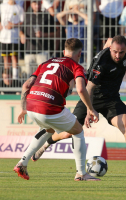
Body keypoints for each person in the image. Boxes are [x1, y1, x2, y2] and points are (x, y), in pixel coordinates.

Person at [32, 36, 126, 176]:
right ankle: (45, 145)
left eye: (121, 52)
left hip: (111, 98)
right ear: (110, 49)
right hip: (91, 97)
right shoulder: (101, 63)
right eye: (115, 52)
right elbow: (89, 88)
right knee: (69, 132)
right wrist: (89, 110)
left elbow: (111, 39)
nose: (118, 55)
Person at [13, 38, 100, 181]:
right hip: (48, 107)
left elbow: (26, 86)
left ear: (64, 51)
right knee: (78, 131)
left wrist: (23, 109)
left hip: (31, 105)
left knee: (48, 129)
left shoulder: (46, 63)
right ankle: (81, 173)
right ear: (80, 53)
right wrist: (90, 109)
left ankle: (22, 162)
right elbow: (80, 88)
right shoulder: (76, 67)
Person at [19, 0, 56, 77]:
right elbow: (21, 31)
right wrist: (22, 35)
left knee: (43, 76)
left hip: (43, 51)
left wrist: (43, 35)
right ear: (31, 4)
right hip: (29, 51)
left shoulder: (47, 16)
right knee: (30, 77)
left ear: (41, 4)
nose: (37, 6)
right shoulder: (27, 16)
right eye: (34, 3)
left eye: (38, 3)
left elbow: (55, 33)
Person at [0, 0, 24, 79]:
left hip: (14, 37)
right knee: (6, 58)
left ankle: (15, 77)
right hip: (3, 37)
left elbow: (22, 22)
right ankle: (7, 77)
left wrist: (13, 25)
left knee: (14, 57)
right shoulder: (2, 6)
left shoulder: (19, 8)